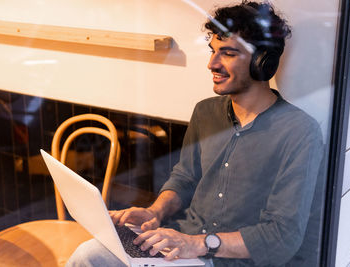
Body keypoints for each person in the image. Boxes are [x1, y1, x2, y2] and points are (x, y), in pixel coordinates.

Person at [66, 1, 324, 266]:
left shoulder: (299, 132)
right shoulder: (205, 112)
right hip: (182, 246)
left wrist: (197, 244)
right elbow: (185, 178)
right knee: (90, 255)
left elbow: (282, 236)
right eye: (213, 52)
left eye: (228, 53)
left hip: (226, 259)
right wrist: (155, 212)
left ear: (262, 62)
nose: (212, 64)